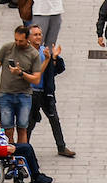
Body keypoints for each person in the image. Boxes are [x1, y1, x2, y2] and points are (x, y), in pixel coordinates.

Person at [0, 25, 41, 144]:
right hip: (6, 94)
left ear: (27, 39)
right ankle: (10, 155)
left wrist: (21, 73)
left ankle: (21, 154)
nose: (17, 42)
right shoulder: (7, 48)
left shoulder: (33, 54)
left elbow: (36, 79)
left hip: (24, 95)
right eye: (15, 39)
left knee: (22, 128)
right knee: (7, 129)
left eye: (21, 40)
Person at [28, 29, 73, 157]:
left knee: (54, 119)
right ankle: (25, 147)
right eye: (35, 35)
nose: (38, 37)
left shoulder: (44, 51)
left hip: (46, 92)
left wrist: (53, 58)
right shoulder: (26, 53)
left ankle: (61, 146)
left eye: (39, 34)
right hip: (31, 93)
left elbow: (57, 70)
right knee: (30, 122)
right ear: (29, 37)